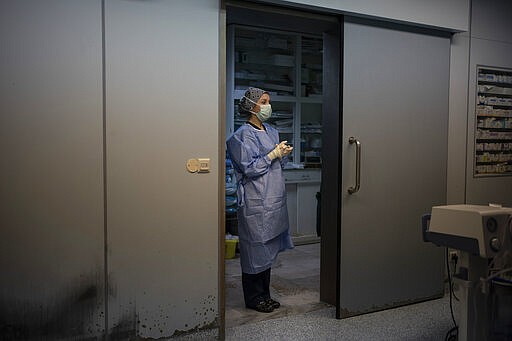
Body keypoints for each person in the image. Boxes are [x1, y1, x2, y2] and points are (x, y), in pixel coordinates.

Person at [226, 87, 294, 313]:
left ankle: (265, 295)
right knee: (254, 250)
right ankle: (254, 298)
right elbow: (249, 168)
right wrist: (272, 155)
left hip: (273, 199)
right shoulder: (240, 136)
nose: (268, 105)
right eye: (264, 101)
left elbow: (276, 166)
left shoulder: (272, 131)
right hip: (255, 201)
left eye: (268, 101)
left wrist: (282, 154)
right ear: (251, 106)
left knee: (267, 251)